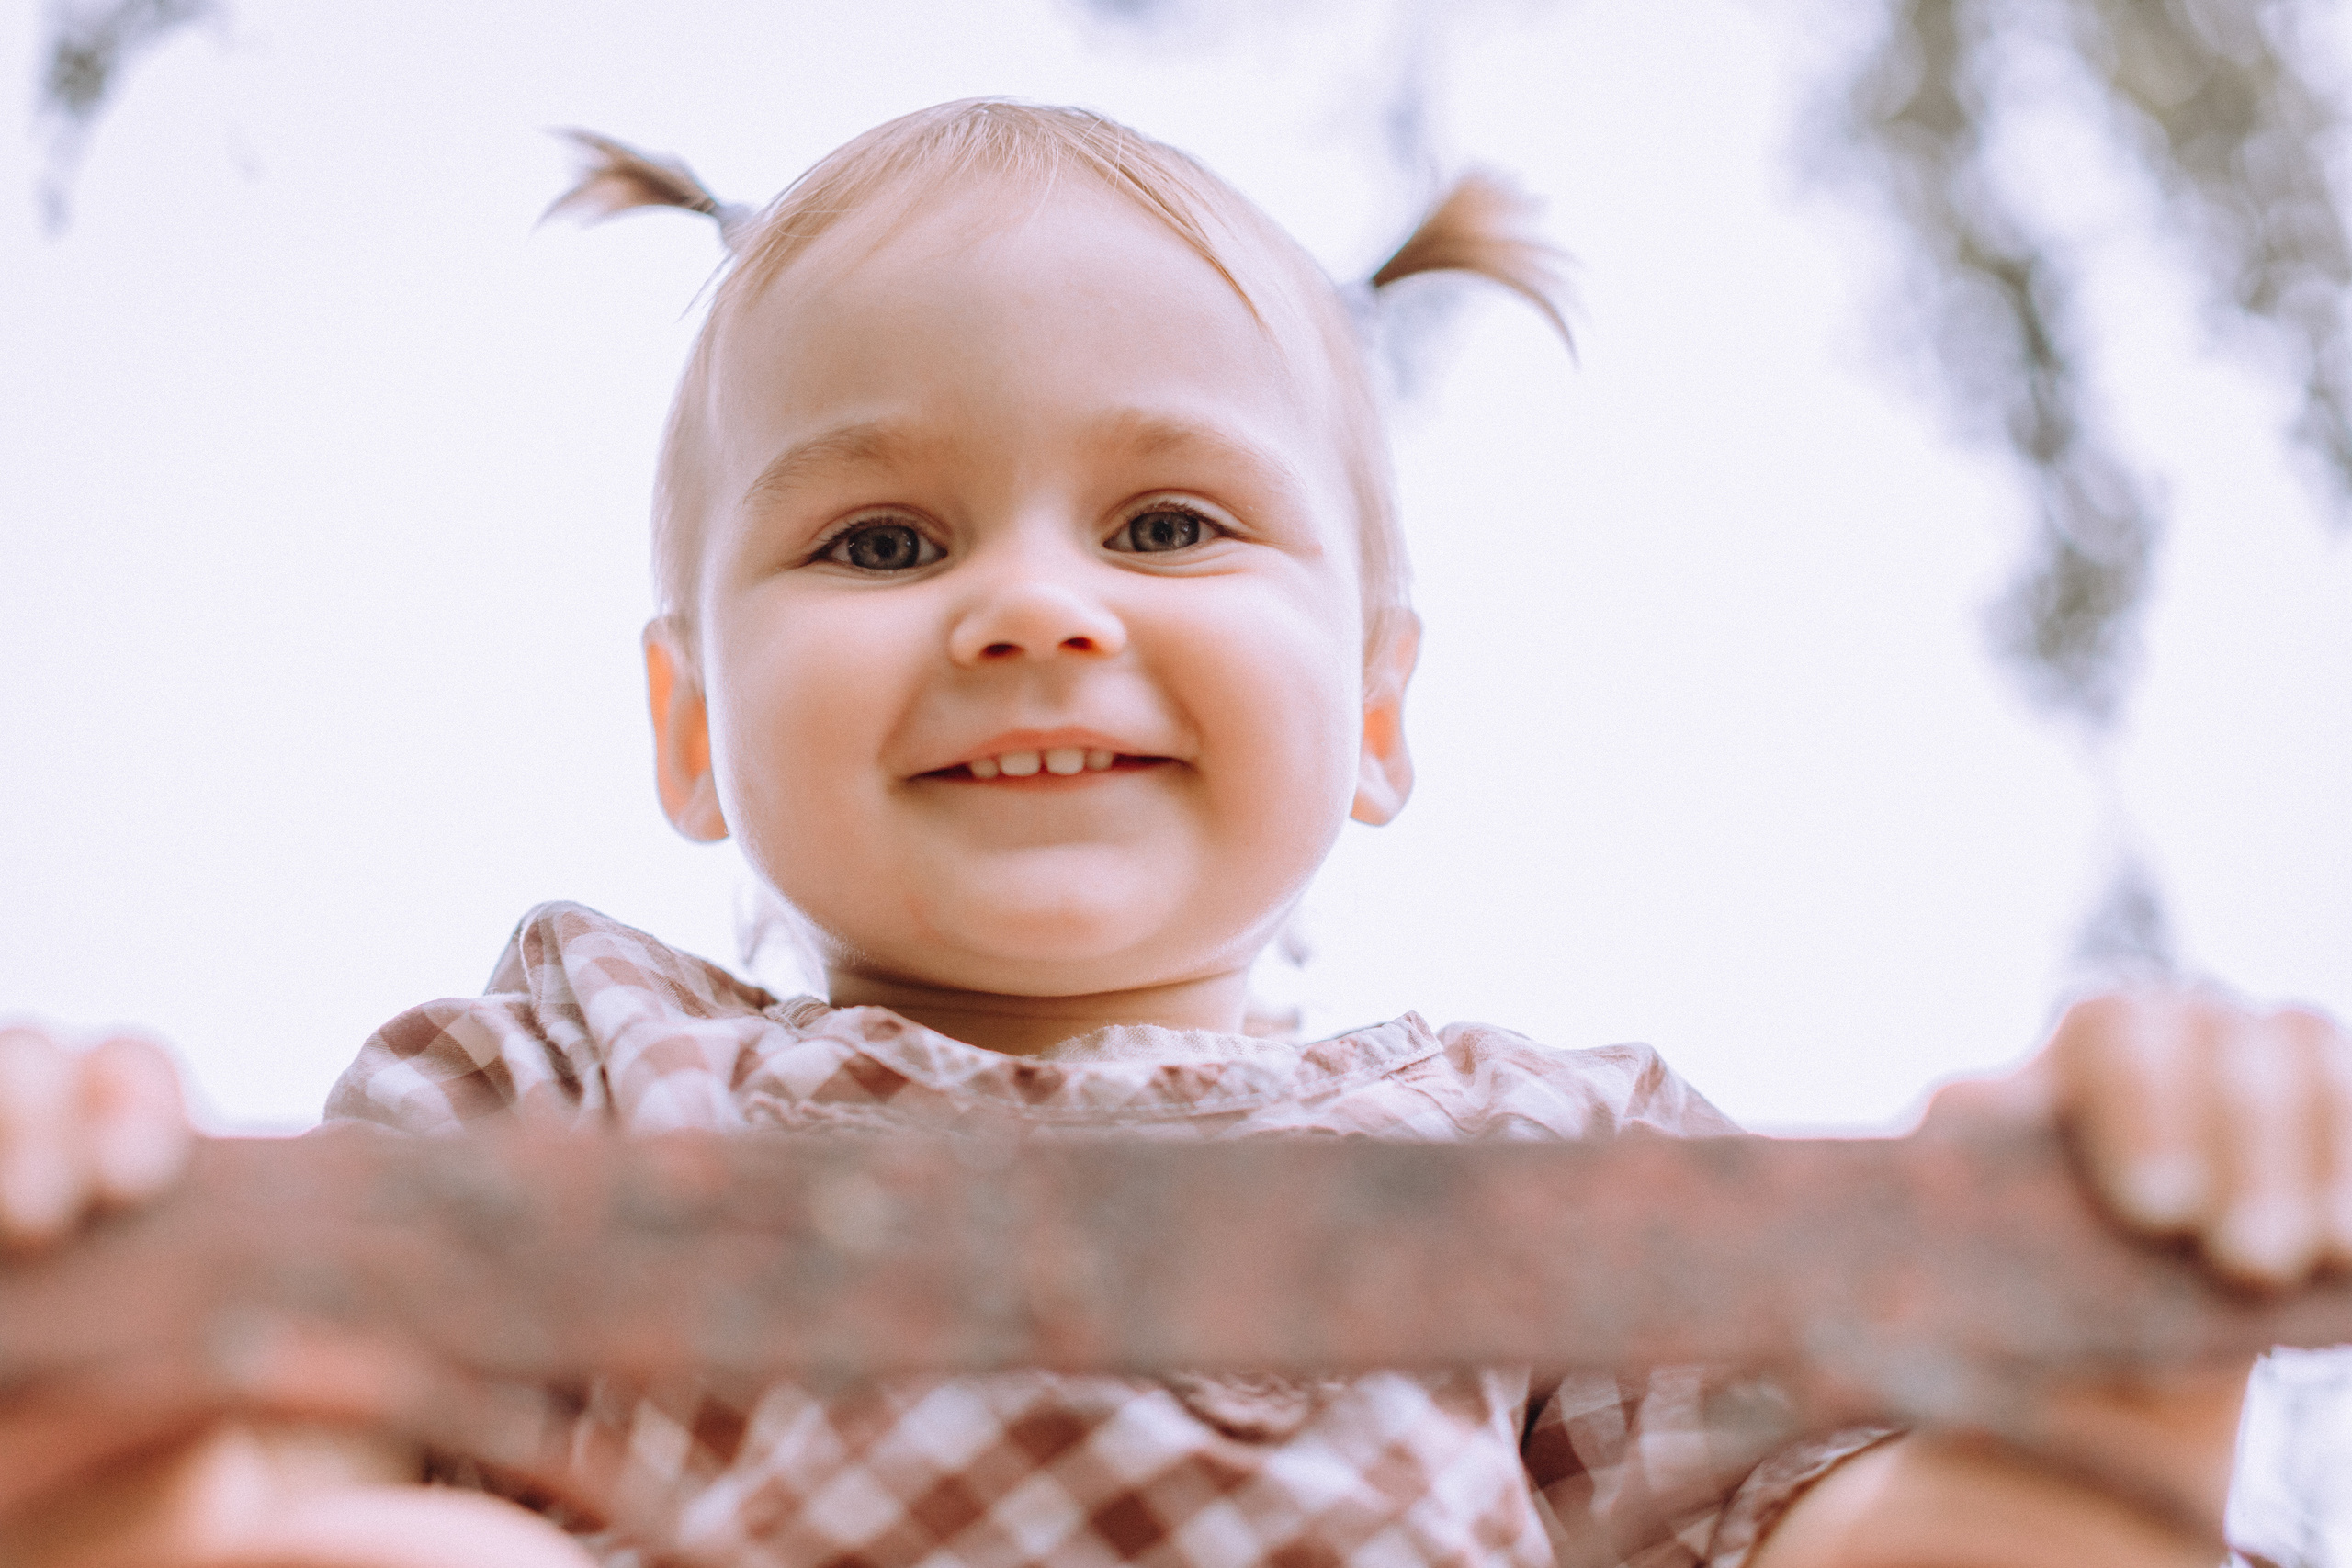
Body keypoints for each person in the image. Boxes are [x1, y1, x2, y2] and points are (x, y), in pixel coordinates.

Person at [1, 98, 2345, 1568]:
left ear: (1380, 704)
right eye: (884, 545)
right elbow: (364, 1455)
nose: (1030, 606)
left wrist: (2096, 1379)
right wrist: (139, 1346)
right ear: (690, 725)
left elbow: (1809, 1531)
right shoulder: (575, 1076)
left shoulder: (1534, 1153)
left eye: (1165, 517)